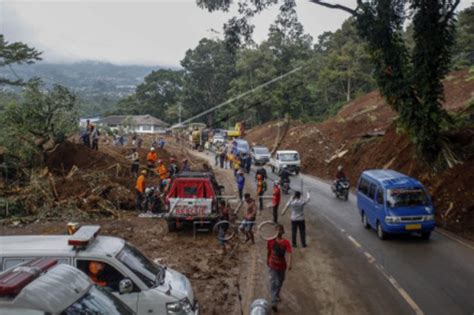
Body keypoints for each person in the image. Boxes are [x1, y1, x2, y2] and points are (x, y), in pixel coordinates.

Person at [267, 224, 292, 312]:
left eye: (280, 230)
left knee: (280, 282)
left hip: (282, 266)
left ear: (282, 231)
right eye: (276, 230)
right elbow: (269, 252)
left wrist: (289, 263)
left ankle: (276, 294)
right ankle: (274, 301)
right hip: (272, 265)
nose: (278, 232)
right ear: (274, 231)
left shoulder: (286, 242)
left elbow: (289, 253)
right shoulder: (270, 241)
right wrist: (267, 260)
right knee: (273, 282)